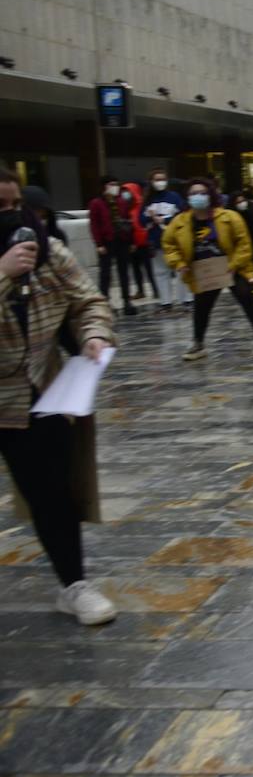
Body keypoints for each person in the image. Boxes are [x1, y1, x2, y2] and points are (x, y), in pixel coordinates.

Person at [0, 164, 118, 625]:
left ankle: (73, 584)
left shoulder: (46, 251)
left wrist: (93, 335)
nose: (11, 216)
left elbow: (88, 299)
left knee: (54, 492)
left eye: (14, 205)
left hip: (40, 392)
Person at [161, 177, 253, 362]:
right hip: (204, 271)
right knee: (201, 306)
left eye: (202, 193)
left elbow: (244, 243)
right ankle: (198, 342)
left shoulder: (229, 217)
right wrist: (179, 263)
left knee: (246, 296)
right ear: (187, 197)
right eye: (193, 193)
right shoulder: (180, 222)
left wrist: (234, 265)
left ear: (211, 195)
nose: (198, 197)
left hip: (232, 267)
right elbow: (168, 244)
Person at [87, 175, 138, 315]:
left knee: (124, 273)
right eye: (111, 184)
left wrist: (132, 241)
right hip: (106, 242)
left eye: (116, 184)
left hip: (122, 240)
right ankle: (104, 302)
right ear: (104, 187)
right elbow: (94, 225)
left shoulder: (122, 201)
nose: (114, 187)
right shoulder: (96, 203)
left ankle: (126, 301)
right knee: (105, 274)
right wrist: (98, 244)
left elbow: (129, 221)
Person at [142, 170, 190, 312]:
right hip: (157, 241)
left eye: (163, 179)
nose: (160, 182)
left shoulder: (174, 197)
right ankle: (165, 301)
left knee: (182, 270)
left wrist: (165, 219)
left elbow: (183, 214)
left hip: (176, 241)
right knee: (161, 272)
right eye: (157, 179)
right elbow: (141, 219)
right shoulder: (147, 200)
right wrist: (150, 218)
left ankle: (186, 299)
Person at [119, 182, 159, 306]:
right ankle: (140, 290)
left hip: (144, 243)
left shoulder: (142, 206)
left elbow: (143, 225)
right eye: (124, 191)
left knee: (149, 269)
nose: (125, 194)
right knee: (136, 269)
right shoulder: (126, 208)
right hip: (132, 244)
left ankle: (156, 289)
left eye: (128, 191)